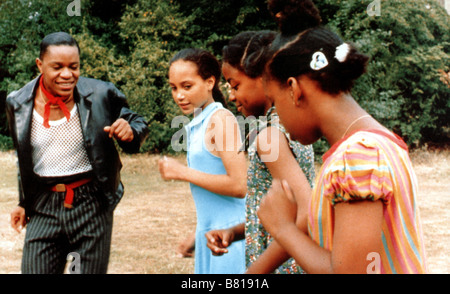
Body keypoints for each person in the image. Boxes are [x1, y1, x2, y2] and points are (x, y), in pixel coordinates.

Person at [257, 4, 428, 273]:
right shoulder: (381, 142)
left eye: (274, 102)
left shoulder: (357, 155)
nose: (276, 113)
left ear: (294, 89)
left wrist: (282, 228)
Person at [6, 32, 149, 274]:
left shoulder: (101, 93)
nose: (67, 74)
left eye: (74, 67)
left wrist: (130, 131)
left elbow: (136, 122)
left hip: (91, 203)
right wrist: (24, 202)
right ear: (40, 65)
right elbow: (25, 159)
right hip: (44, 205)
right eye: (57, 67)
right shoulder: (18, 103)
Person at [205, 31, 316, 274]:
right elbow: (283, 212)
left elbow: (307, 215)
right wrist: (234, 232)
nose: (231, 96)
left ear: (264, 78)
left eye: (236, 85)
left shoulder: (270, 137)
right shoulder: (292, 129)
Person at [158, 48, 247, 274]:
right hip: (209, 235)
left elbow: (239, 185)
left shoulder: (221, 119)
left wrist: (181, 172)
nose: (179, 95)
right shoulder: (200, 121)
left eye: (187, 86)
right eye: (174, 88)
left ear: (209, 82)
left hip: (229, 239)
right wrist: (196, 235)